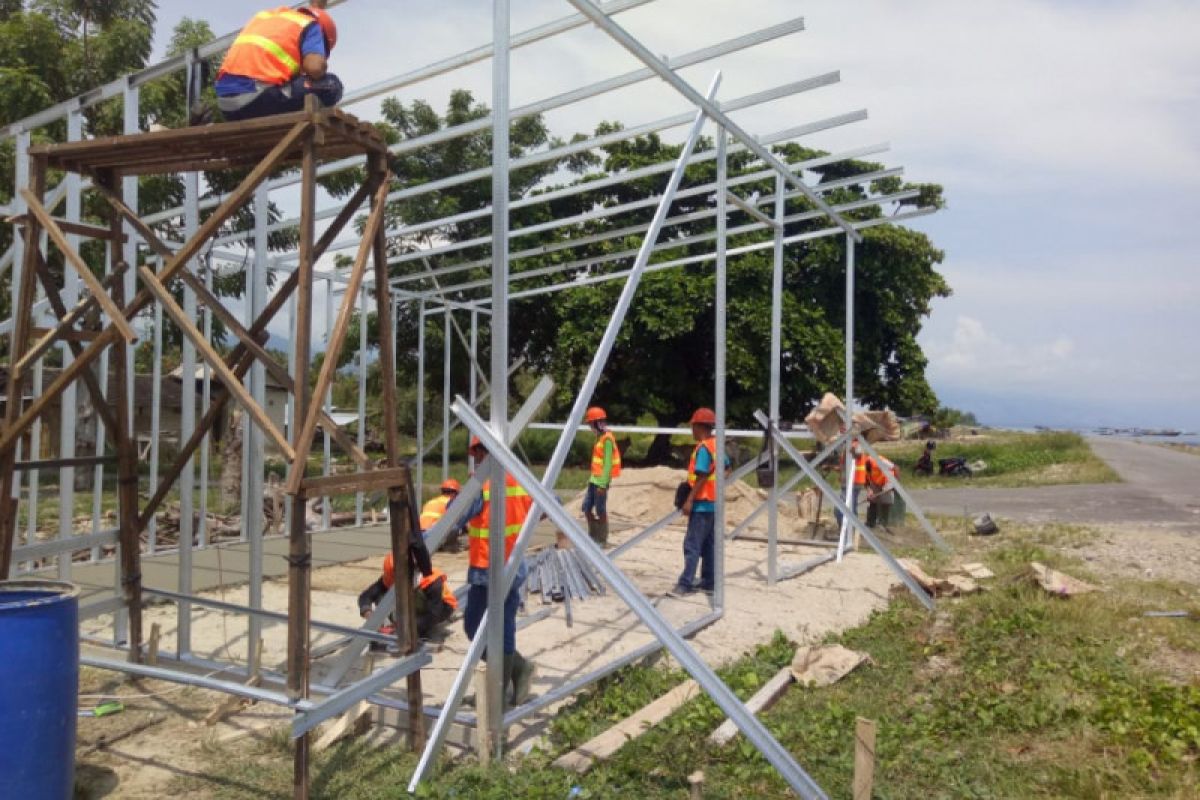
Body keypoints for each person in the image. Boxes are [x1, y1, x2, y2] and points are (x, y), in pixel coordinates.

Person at [462, 436, 536, 707]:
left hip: (488, 569)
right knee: (493, 629)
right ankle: (516, 670)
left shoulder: (484, 484)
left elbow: (455, 516)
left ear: (484, 452)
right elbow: (549, 503)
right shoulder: (519, 479)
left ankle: (499, 694)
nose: (477, 460)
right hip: (514, 566)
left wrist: (466, 492)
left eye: (478, 455)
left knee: (481, 628)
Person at [215, 2, 343, 122]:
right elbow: (314, 68)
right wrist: (321, 63)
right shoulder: (312, 26)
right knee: (332, 85)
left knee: (292, 85)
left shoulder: (265, 17)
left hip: (226, 106)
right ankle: (307, 123)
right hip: (256, 98)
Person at [672, 407, 727, 596]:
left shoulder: (704, 448)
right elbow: (726, 469)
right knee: (708, 544)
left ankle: (685, 584)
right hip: (714, 504)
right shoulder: (716, 445)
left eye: (693, 426)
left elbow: (702, 474)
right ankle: (709, 581)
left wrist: (689, 499)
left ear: (699, 426)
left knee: (692, 545)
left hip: (702, 503)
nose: (691, 430)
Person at [358, 553, 457, 644]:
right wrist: (370, 615)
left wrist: (403, 628)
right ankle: (398, 625)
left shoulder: (431, 581)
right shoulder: (391, 576)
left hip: (441, 608)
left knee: (424, 625)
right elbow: (365, 596)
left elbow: (434, 614)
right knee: (381, 595)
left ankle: (426, 629)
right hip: (414, 608)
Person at [582, 406, 621, 546]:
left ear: (597, 423)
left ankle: (602, 539)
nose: (590, 427)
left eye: (590, 424)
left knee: (600, 509)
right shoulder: (600, 438)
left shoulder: (607, 439)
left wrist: (603, 484)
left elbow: (607, 464)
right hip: (593, 479)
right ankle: (592, 536)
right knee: (586, 508)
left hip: (600, 482)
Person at [421, 478, 467, 553]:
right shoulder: (452, 503)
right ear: (454, 493)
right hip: (431, 535)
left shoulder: (431, 501)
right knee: (455, 526)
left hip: (420, 536)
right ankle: (448, 546)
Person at [864, 453, 898, 527]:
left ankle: (883, 522)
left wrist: (896, 484)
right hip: (875, 482)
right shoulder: (863, 466)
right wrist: (869, 491)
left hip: (888, 481)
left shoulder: (880, 460)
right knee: (873, 500)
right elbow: (865, 481)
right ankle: (870, 522)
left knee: (887, 502)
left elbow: (896, 468)